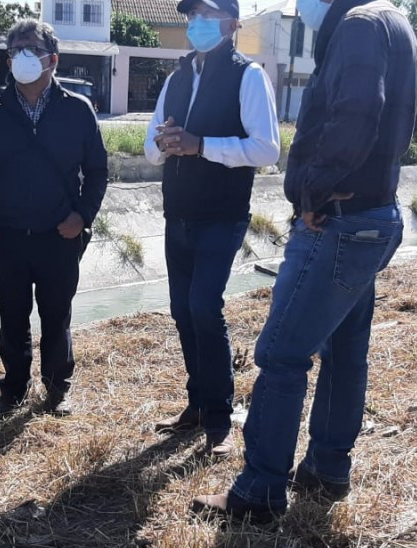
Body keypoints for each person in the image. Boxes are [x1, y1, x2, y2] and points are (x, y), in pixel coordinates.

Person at [192, 0, 417, 522]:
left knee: (281, 353)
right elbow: (396, 124)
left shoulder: (360, 25)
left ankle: (259, 491)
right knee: (343, 350)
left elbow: (357, 114)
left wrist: (314, 192)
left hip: (337, 218)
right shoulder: (394, 21)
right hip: (372, 214)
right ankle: (326, 467)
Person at [144, 0, 281, 458]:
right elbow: (149, 147)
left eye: (207, 16)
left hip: (222, 215)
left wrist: (200, 145)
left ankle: (220, 420)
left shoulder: (249, 76)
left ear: (231, 23)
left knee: (204, 307)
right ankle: (197, 405)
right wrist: (165, 143)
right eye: (191, 16)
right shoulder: (176, 77)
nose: (196, 25)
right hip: (177, 213)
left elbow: (266, 149)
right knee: (182, 311)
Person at [0, 19, 108, 417]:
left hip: (60, 236)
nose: (22, 56)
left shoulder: (77, 110)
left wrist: (82, 215)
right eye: (16, 50)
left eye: (31, 48)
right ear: (8, 61)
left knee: (57, 316)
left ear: (53, 59)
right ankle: (13, 389)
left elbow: (97, 172)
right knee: (12, 316)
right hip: (5, 236)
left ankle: (58, 387)